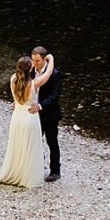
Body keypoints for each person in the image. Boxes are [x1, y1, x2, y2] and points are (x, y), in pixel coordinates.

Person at [0, 53, 52, 189]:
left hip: (17, 117)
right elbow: (48, 72)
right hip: (30, 118)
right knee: (31, 147)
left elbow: (17, 99)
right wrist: (51, 59)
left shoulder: (13, 79)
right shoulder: (34, 83)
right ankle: (28, 177)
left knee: (17, 146)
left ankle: (16, 172)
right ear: (30, 69)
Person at [31, 46, 63, 181]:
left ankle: (55, 170)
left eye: (37, 61)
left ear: (44, 59)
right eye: (33, 60)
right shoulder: (31, 71)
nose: (35, 63)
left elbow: (54, 96)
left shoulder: (55, 74)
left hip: (49, 114)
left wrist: (40, 105)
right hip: (34, 114)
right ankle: (38, 167)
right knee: (35, 142)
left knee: (52, 142)